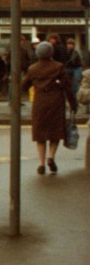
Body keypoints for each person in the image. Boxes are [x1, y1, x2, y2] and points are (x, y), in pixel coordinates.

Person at [23, 39, 77, 173]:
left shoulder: (32, 69)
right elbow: (68, 87)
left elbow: (23, 86)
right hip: (56, 102)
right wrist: (73, 104)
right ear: (51, 52)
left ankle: (41, 164)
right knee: (55, 133)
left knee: (40, 135)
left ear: (38, 53)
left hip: (40, 102)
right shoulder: (58, 67)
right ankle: (51, 157)